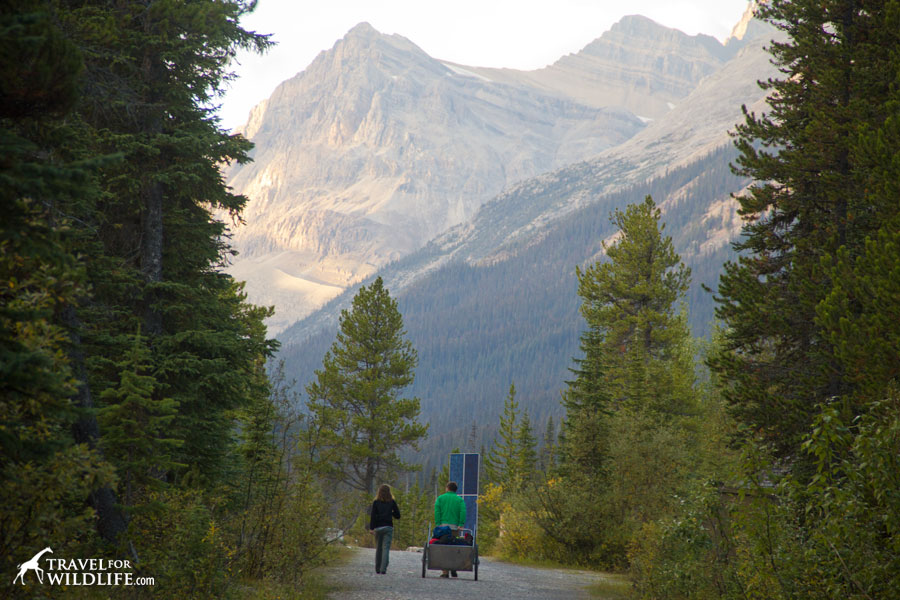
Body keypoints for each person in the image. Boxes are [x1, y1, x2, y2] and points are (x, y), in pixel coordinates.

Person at [433, 481, 466, 578]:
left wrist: (438, 524)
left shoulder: (440, 498)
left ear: (447, 488)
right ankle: (453, 567)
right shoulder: (459, 500)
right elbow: (462, 511)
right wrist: (461, 524)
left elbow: (437, 511)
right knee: (454, 546)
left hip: (443, 528)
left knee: (443, 548)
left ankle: (445, 571)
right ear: (456, 490)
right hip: (455, 527)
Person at [368, 484, 401, 574]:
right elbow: (398, 516)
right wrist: (391, 513)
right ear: (389, 492)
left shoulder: (376, 502)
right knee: (386, 548)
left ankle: (377, 568)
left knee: (378, 548)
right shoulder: (392, 502)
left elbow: (373, 516)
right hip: (388, 527)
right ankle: (383, 569)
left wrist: (371, 528)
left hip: (378, 527)